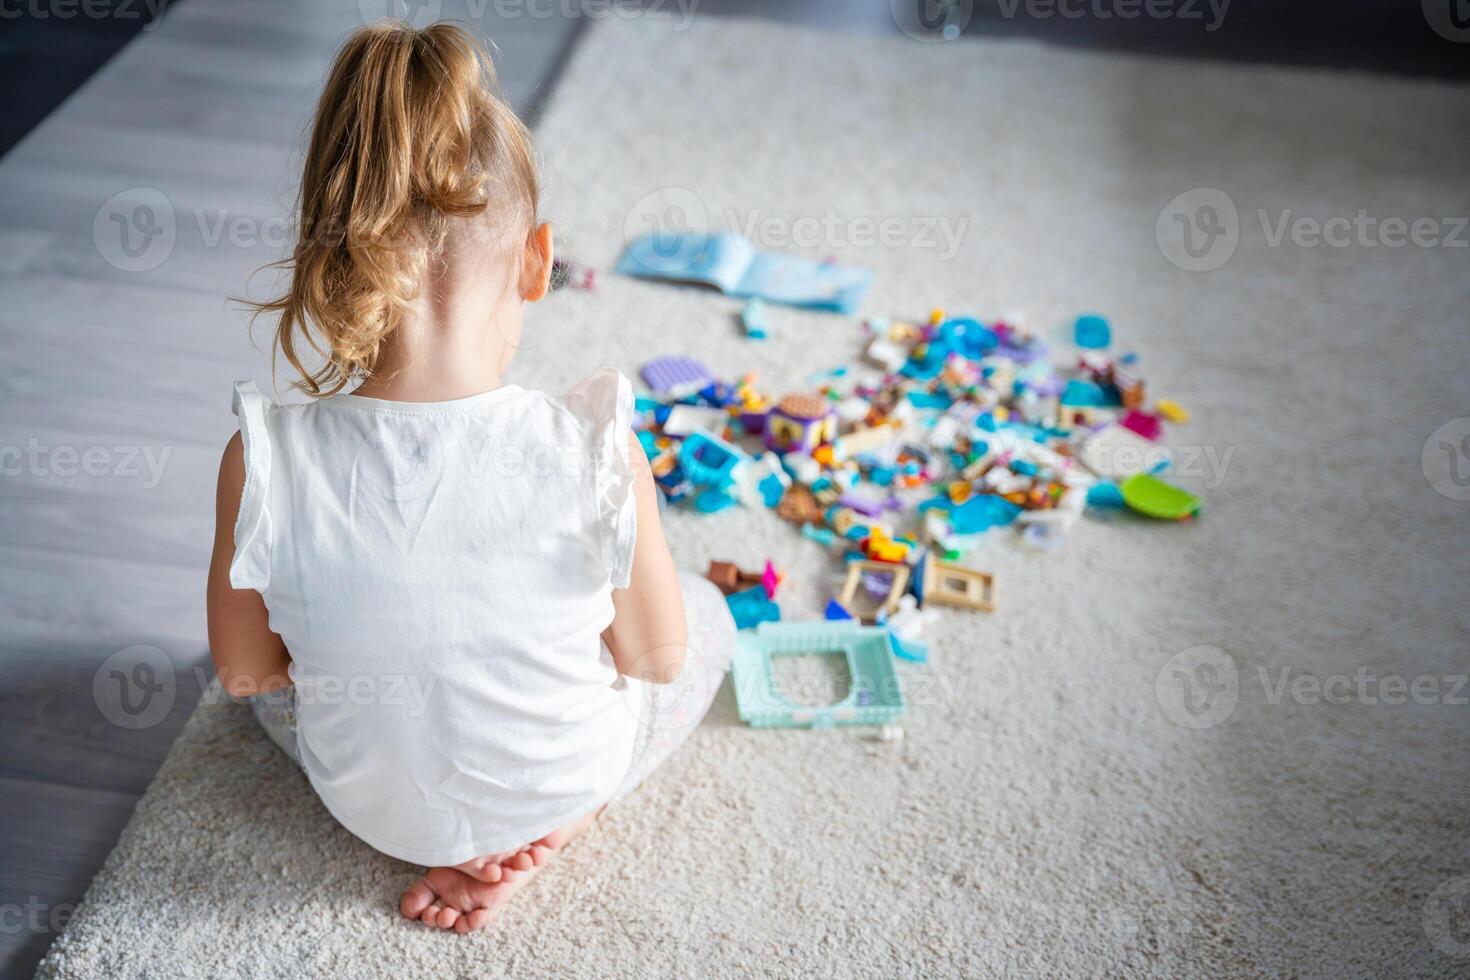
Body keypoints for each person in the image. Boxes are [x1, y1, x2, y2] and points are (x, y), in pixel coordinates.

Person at [205, 20, 735, 934]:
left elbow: (249, 674)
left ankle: (458, 823)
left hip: (369, 810)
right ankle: (560, 826)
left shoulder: (262, 456)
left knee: (290, 686)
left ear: (333, 261)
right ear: (538, 260)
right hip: (551, 780)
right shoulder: (596, 444)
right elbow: (656, 660)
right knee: (706, 621)